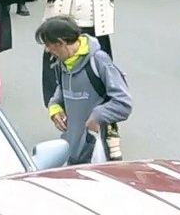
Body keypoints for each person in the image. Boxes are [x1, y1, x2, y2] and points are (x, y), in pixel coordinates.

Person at [37, 15, 132, 165]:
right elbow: (61, 90)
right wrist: (54, 107)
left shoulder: (99, 61)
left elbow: (123, 103)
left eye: (48, 45)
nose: (47, 50)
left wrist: (98, 115)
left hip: (97, 152)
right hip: (72, 149)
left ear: (61, 42)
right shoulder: (63, 62)